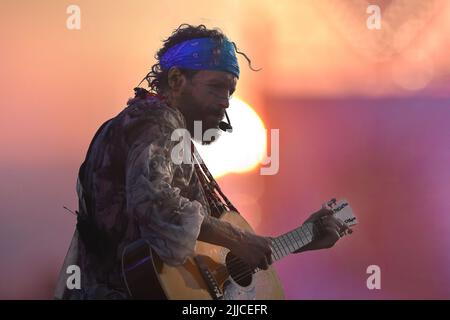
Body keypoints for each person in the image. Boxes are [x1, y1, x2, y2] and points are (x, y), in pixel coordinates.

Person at [54, 24, 351, 300]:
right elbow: (156, 206)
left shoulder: (153, 126)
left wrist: (303, 238)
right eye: (215, 87)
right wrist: (236, 238)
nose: (225, 101)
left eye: (230, 92)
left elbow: (208, 253)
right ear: (176, 80)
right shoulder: (156, 122)